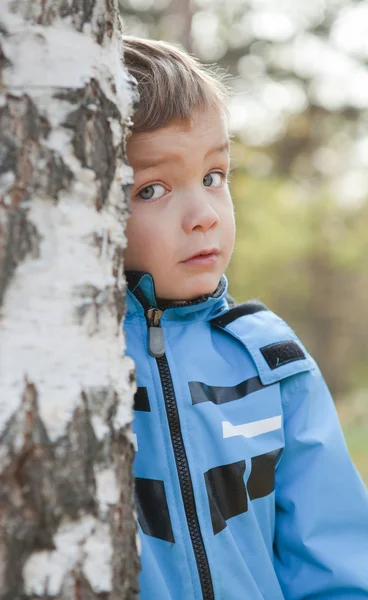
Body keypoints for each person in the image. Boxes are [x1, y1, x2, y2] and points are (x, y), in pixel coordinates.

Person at [122, 35, 368, 600]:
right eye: (152, 189)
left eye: (214, 177)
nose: (203, 216)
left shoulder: (271, 359)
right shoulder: (73, 363)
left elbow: (333, 560)